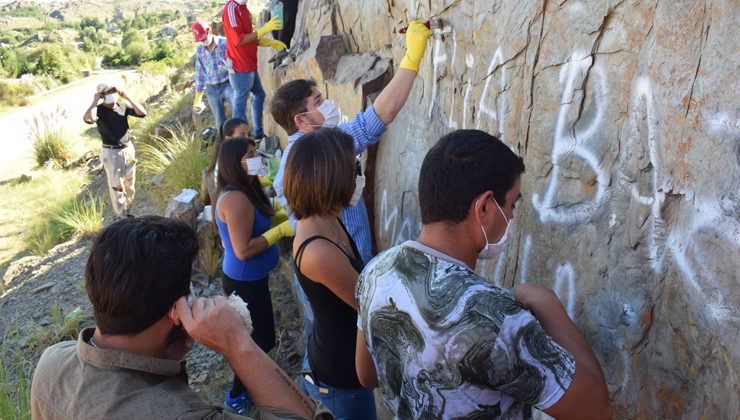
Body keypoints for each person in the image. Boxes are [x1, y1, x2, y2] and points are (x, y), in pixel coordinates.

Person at [354, 130, 613, 419]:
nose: (512, 216)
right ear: (485, 207)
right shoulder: (497, 319)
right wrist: (547, 303)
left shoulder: (375, 272)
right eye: (512, 204)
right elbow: (595, 408)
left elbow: (367, 374)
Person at [31, 216, 330, 420]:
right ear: (175, 314)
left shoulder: (52, 362)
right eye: (190, 292)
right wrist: (238, 344)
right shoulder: (178, 414)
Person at [283, 129, 377, 419]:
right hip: (342, 381)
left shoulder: (327, 219)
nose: (358, 176)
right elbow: (372, 306)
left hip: (337, 358)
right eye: (354, 169)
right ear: (333, 179)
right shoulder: (318, 252)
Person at [213, 137, 294, 413]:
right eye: (250, 154)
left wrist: (282, 215)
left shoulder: (249, 187)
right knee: (258, 341)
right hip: (244, 280)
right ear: (235, 163)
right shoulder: (235, 198)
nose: (257, 156)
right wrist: (279, 232)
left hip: (254, 279)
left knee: (258, 338)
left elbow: (263, 214)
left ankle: (248, 387)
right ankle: (236, 397)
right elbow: (243, 249)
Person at [222, 0, 286, 139]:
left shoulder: (243, 8)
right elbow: (238, 40)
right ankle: (239, 142)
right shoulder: (231, 9)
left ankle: (257, 134)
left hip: (249, 64)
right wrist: (264, 29)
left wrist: (268, 42)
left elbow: (249, 36)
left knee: (259, 95)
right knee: (239, 108)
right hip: (240, 67)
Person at [83, 82, 146, 218]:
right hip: (112, 153)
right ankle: (122, 216)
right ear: (102, 95)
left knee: (130, 183)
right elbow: (90, 118)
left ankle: (129, 212)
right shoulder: (98, 110)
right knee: (117, 186)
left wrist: (127, 97)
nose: (112, 93)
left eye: (114, 90)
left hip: (128, 150)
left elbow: (142, 113)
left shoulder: (121, 106)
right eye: (109, 91)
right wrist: (95, 101)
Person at [192, 21, 232, 129]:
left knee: (238, 111)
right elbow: (200, 73)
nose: (203, 42)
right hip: (211, 89)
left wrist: (232, 68)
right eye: (200, 40)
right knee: (219, 121)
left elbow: (237, 61)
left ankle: (245, 139)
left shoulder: (225, 43)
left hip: (228, 84)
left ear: (209, 31)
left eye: (204, 38)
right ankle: (224, 143)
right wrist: (198, 98)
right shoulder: (200, 50)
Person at [204, 118, 251, 200]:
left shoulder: (233, 156)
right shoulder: (227, 163)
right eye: (242, 135)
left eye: (249, 134)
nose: (248, 138)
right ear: (228, 138)